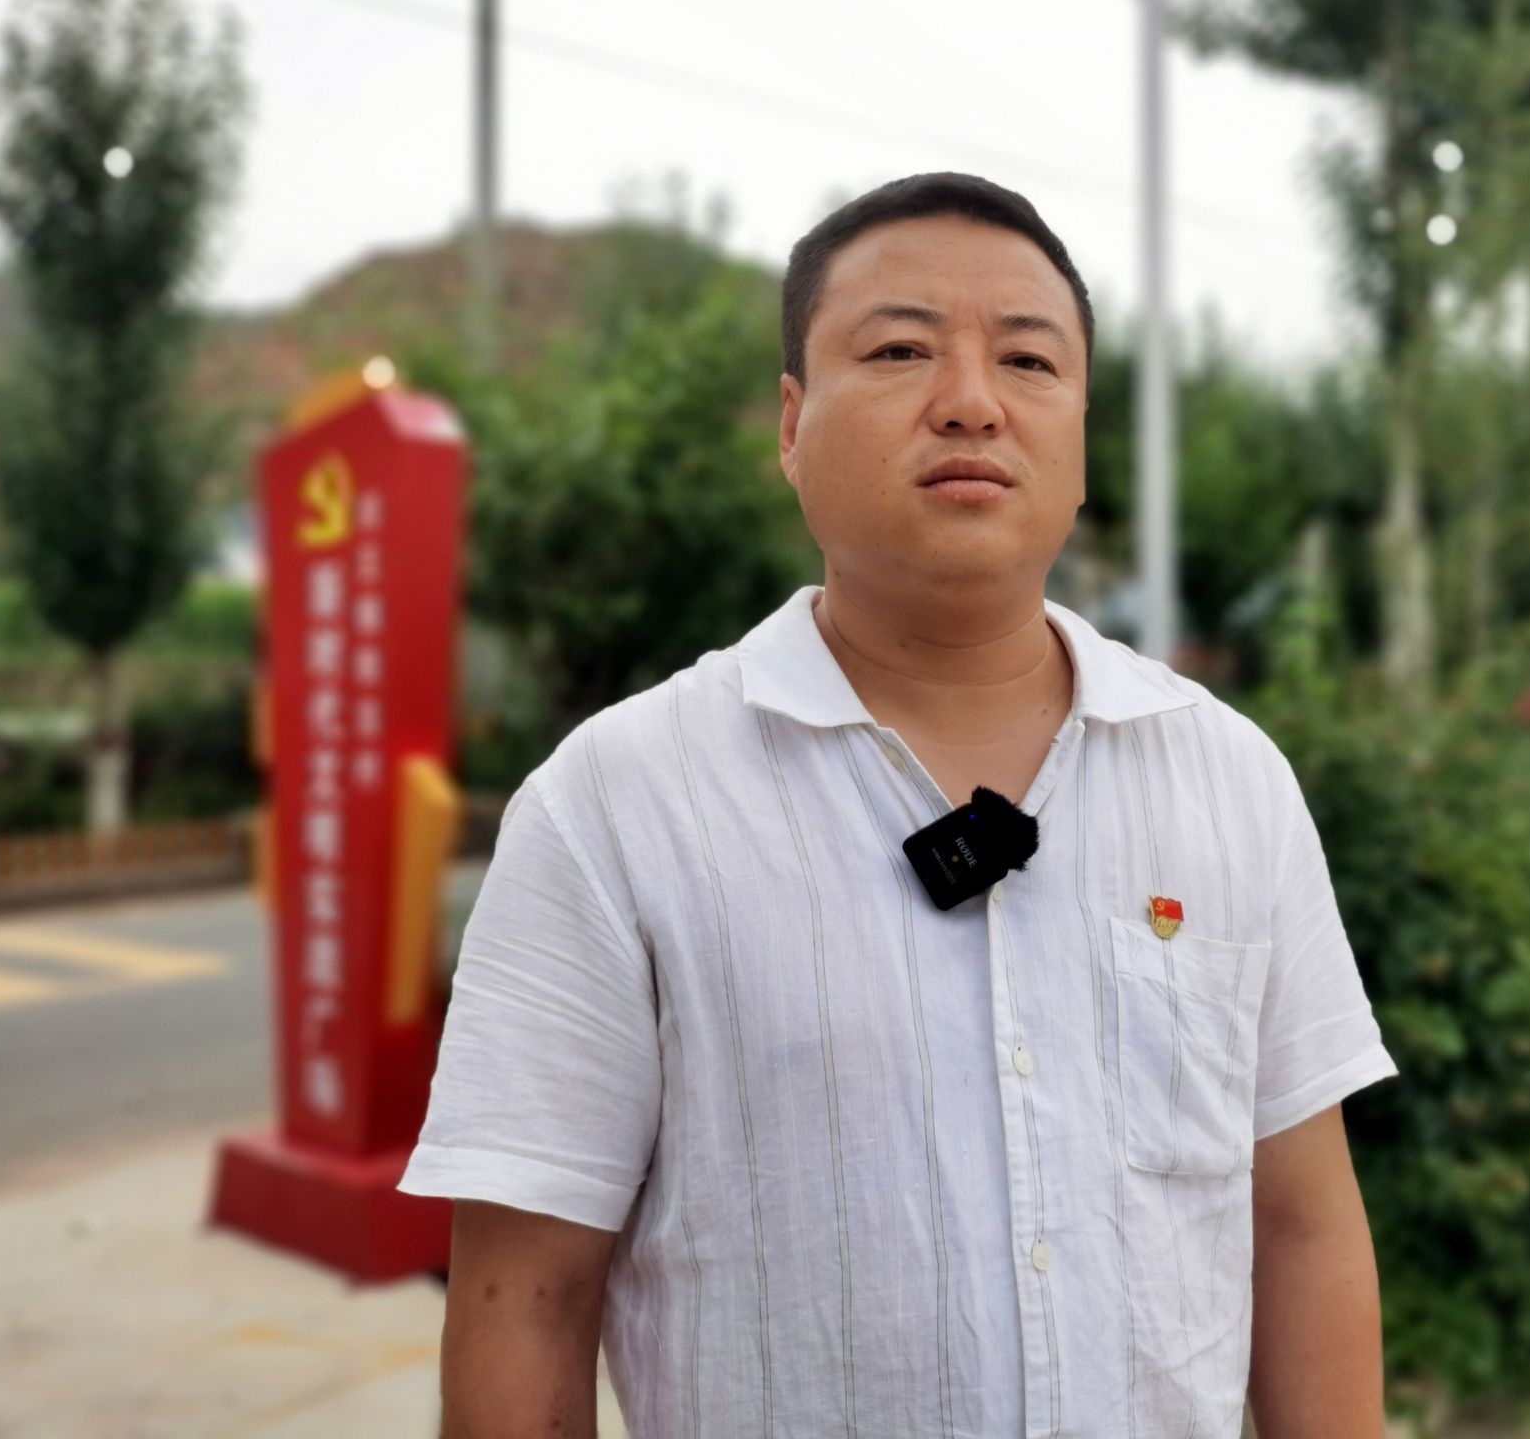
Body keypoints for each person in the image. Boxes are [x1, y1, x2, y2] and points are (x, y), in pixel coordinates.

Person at [397, 171, 1399, 1439]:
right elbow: (525, 1297)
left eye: (1028, 361)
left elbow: (1300, 1226)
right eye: (899, 350)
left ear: (1079, 434)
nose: (971, 401)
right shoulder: (611, 808)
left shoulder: (1228, 780)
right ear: (790, 425)